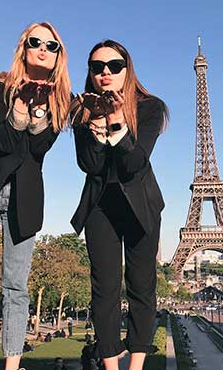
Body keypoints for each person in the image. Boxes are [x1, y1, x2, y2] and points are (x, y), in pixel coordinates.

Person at [0, 21, 71, 370]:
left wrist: (40, 111)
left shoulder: (60, 101)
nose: (43, 49)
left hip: (25, 196)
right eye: (35, 42)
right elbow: (3, 141)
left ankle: (12, 365)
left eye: (52, 46)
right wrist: (21, 105)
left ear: (58, 56)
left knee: (17, 288)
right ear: (24, 47)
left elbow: (37, 149)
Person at [71, 39, 168, 370]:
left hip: (141, 205)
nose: (105, 73)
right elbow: (89, 165)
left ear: (127, 70)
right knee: (105, 288)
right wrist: (97, 122)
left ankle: (136, 365)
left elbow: (135, 163)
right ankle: (111, 365)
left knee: (142, 285)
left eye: (114, 66)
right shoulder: (82, 112)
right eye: (97, 67)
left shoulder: (150, 108)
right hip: (100, 206)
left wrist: (116, 119)